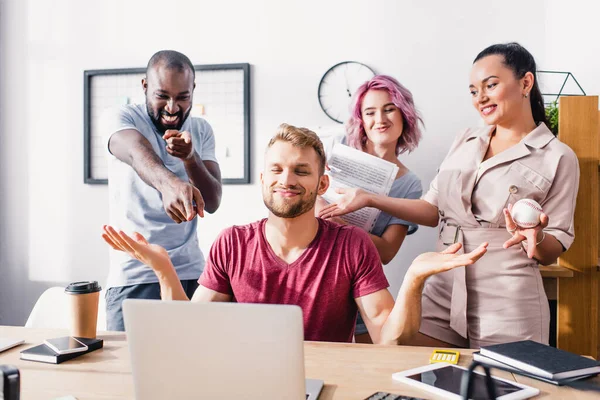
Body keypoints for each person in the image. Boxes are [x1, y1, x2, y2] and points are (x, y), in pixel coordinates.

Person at [102, 123, 487, 344]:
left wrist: (415, 276)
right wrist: (164, 269)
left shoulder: (352, 246)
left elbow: (389, 339)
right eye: (278, 170)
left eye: (301, 171)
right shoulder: (232, 243)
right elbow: (188, 333)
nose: (287, 180)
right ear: (263, 179)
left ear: (322, 185)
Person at [319, 42, 579, 348]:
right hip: (442, 288)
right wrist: (370, 198)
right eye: (473, 90)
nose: (480, 98)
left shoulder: (558, 156)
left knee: (504, 391)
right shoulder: (465, 140)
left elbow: (554, 245)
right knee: (409, 368)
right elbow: (431, 211)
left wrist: (536, 238)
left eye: (490, 85)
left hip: (507, 300)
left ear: (525, 82)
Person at [103, 50, 223, 331]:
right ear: (145, 87)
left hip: (190, 272)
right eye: (162, 96)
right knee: (126, 371)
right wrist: (170, 183)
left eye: (183, 97)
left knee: (193, 367)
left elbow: (213, 201)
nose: (172, 108)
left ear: (193, 91)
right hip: (134, 276)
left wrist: (191, 157)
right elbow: (135, 153)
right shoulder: (121, 117)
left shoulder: (201, 130)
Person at [317, 75, 423, 343]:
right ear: (361, 120)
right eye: (370, 112)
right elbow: (305, 194)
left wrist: (340, 224)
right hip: (315, 268)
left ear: (404, 115)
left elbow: (386, 251)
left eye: (389, 109)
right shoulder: (336, 146)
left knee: (371, 356)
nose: (381, 119)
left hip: (360, 283)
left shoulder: (409, 185)